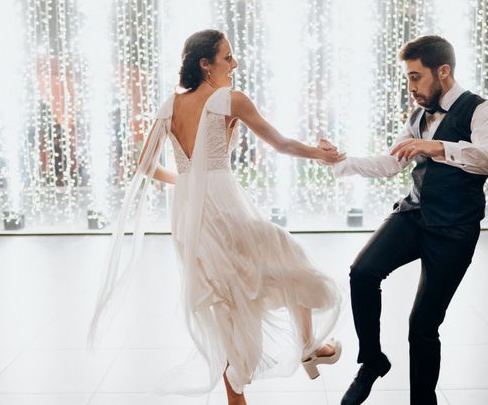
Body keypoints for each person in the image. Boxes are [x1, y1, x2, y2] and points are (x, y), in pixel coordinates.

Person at [92, 29, 345, 405]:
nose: (235, 63)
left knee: (222, 298)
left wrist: (189, 184)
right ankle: (307, 346)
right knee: (283, 256)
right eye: (228, 57)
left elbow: (143, 165)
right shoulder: (230, 99)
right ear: (205, 64)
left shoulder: (169, 106)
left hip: (188, 213)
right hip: (223, 204)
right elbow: (281, 144)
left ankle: (239, 396)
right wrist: (321, 155)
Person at [319, 35, 488, 405]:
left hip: (454, 230)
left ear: (443, 71)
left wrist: (438, 147)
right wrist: (340, 161)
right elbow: (393, 162)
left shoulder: (480, 110)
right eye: (408, 78)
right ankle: (372, 362)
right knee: (363, 272)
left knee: (422, 327)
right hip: (413, 214)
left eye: (416, 77)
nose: (411, 86)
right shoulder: (418, 115)